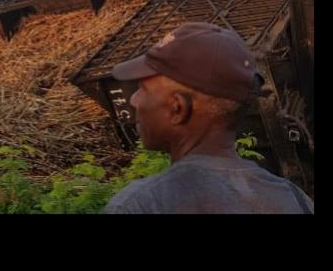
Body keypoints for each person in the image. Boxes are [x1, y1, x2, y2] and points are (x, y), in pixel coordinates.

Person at [103, 22, 314, 214]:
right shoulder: (296, 200)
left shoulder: (140, 205)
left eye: (142, 89)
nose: (134, 100)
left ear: (178, 109)